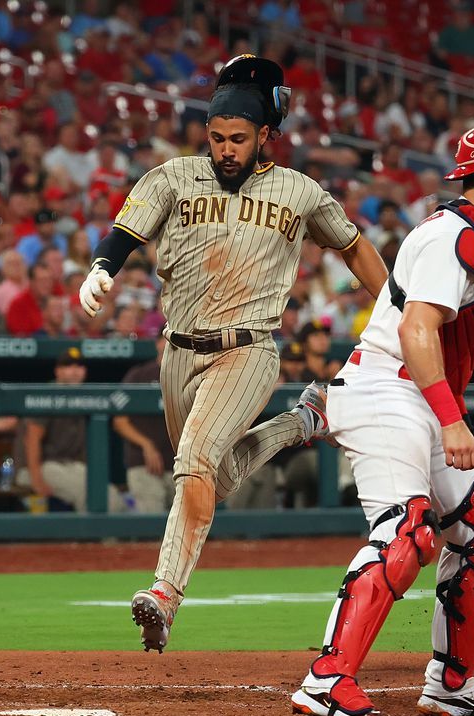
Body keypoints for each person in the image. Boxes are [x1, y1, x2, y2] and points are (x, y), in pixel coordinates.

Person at [76, 55, 389, 653]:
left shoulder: (299, 191)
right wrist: (102, 268)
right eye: (217, 137)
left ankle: (165, 593)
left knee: (194, 462)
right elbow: (125, 232)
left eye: (238, 139)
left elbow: (353, 249)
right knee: (209, 479)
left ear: (266, 136)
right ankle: (302, 422)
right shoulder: (173, 177)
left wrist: (397, 308)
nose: (225, 149)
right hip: (179, 352)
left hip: (248, 351)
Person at [290, 120, 474, 716]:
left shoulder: (471, 236)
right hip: (386, 389)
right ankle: (327, 680)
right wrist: (452, 422)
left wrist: (448, 417)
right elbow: (417, 331)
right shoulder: (457, 237)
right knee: (409, 531)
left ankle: (451, 683)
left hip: (410, 393)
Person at [22, 348, 124, 512]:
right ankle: (93, 536)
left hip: (73, 467)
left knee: (113, 496)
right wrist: (36, 479)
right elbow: (31, 438)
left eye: (79, 366)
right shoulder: (48, 394)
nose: (75, 371)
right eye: (69, 366)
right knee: (87, 494)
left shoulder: (85, 396)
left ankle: (108, 537)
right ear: (58, 371)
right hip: (44, 466)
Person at [113, 335, 177, 514]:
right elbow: (120, 421)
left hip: (179, 465)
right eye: (167, 337)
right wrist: (146, 444)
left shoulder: (191, 374)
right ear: (158, 343)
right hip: (144, 464)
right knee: (152, 524)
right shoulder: (139, 375)